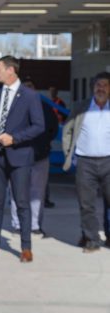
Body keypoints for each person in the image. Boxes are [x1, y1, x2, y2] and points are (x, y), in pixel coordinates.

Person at [0, 56, 44, 263]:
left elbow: (38, 126)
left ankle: (26, 248)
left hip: (19, 157)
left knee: (22, 203)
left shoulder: (30, 96)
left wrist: (14, 138)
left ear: (11, 70)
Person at [62, 72, 110, 252]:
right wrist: (70, 154)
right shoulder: (81, 107)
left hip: (109, 162)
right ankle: (91, 239)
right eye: (98, 85)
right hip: (85, 163)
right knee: (86, 204)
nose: (101, 88)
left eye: (105, 85)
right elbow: (67, 130)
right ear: (92, 87)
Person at [9, 80, 59, 237]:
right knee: (17, 192)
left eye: (31, 87)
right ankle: (18, 225)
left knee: (38, 193)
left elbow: (53, 129)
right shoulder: (11, 107)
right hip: (18, 157)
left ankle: (35, 226)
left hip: (40, 157)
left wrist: (42, 145)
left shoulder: (44, 108)